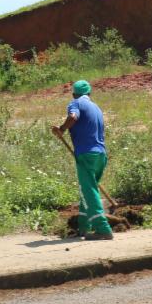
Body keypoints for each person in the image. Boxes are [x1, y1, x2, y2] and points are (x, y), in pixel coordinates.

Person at [52, 80, 114, 241]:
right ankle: (84, 227)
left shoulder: (75, 103)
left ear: (74, 94)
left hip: (86, 155)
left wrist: (62, 129)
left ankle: (103, 229)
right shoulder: (96, 108)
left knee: (89, 191)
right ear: (89, 93)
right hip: (100, 156)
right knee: (86, 191)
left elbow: (73, 117)